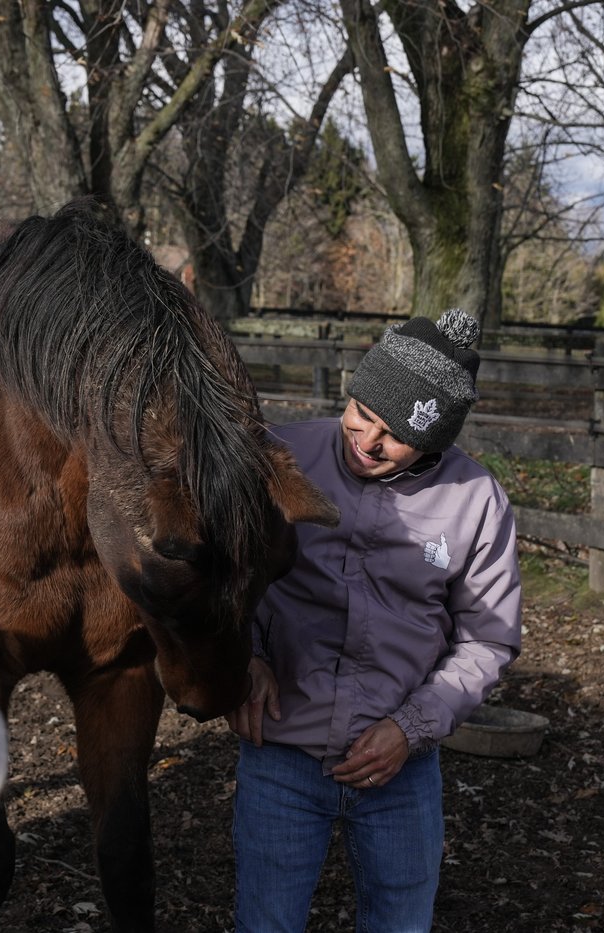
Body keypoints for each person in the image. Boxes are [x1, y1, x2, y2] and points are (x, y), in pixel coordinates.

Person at [226, 309, 522, 932]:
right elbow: (226, 575)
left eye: (394, 433)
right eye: (362, 411)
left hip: (401, 768)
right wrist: (244, 655)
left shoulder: (476, 500)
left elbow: (488, 638)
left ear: (435, 440)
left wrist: (411, 726)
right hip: (281, 751)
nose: (366, 440)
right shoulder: (278, 457)